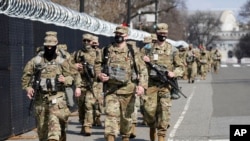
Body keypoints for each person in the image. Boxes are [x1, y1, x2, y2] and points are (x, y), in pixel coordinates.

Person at [22, 31, 82, 141]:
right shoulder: (37, 60)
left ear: (56, 44)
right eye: (47, 46)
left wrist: (67, 81)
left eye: (52, 46)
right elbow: (26, 75)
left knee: (54, 130)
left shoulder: (63, 59)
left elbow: (74, 75)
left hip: (57, 98)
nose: (49, 48)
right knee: (43, 132)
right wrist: (28, 88)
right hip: (41, 100)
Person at [95, 25, 148, 141]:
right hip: (111, 91)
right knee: (110, 118)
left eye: (121, 34)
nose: (118, 36)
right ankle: (110, 137)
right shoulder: (106, 50)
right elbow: (97, 65)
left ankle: (125, 137)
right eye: (117, 34)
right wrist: (99, 75)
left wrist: (142, 86)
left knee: (126, 119)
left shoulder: (133, 51)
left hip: (128, 90)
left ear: (126, 36)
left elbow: (142, 69)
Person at [142, 23, 184, 141]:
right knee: (149, 112)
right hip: (151, 85)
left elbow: (180, 67)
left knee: (164, 113)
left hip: (165, 86)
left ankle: (161, 136)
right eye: (160, 33)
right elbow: (138, 64)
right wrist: (143, 59)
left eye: (164, 33)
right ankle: (152, 126)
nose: (163, 35)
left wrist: (174, 73)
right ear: (157, 34)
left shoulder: (172, 49)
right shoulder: (148, 48)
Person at [71, 33, 100, 136]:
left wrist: (98, 76)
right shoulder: (77, 53)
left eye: (89, 41)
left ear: (92, 42)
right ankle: (83, 123)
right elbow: (68, 65)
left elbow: (99, 67)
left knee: (89, 105)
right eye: (85, 41)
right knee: (81, 106)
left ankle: (88, 126)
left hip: (93, 84)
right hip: (80, 83)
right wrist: (74, 66)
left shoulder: (97, 53)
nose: (87, 43)